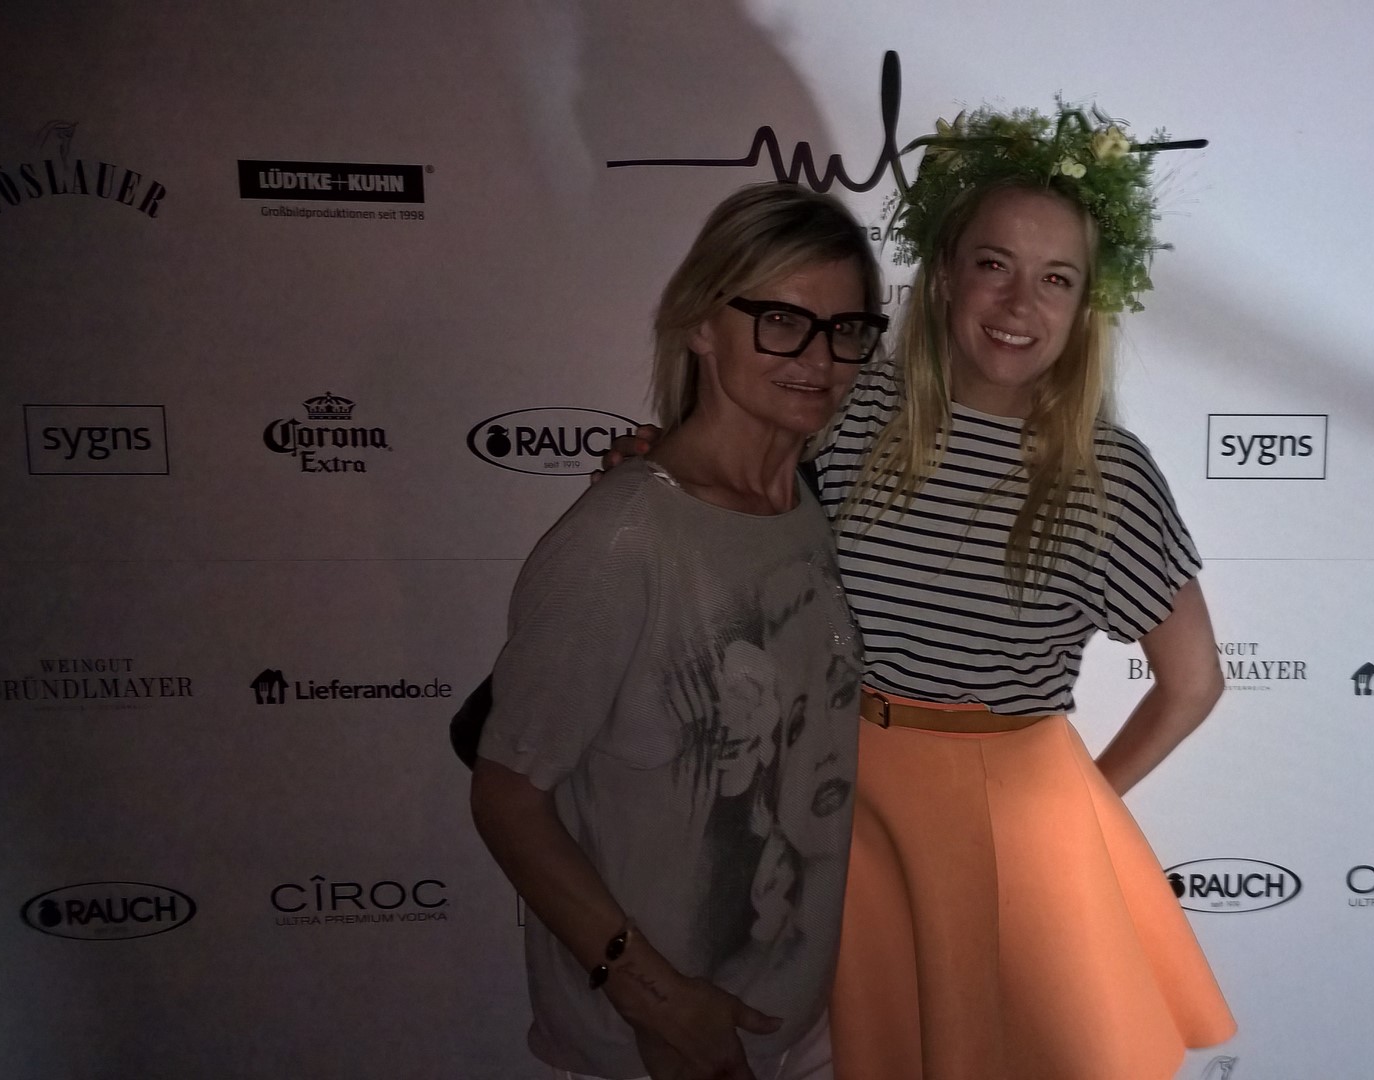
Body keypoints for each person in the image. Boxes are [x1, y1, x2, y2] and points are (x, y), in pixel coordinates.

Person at [608, 103, 1235, 1079]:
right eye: (995, 264)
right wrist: (659, 474)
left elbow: (1192, 681)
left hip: (1005, 812)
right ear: (944, 275)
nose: (1020, 302)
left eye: (1056, 278)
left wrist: (1084, 811)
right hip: (832, 790)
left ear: (1085, 307)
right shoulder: (853, 410)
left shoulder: (1106, 475)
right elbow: (745, 509)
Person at [470, 182, 885, 1080]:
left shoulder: (813, 506)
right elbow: (507, 798)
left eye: (846, 329)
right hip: (657, 1047)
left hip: (808, 1022)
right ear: (701, 323)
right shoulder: (624, 537)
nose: (820, 358)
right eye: (783, 321)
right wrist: (660, 1004)